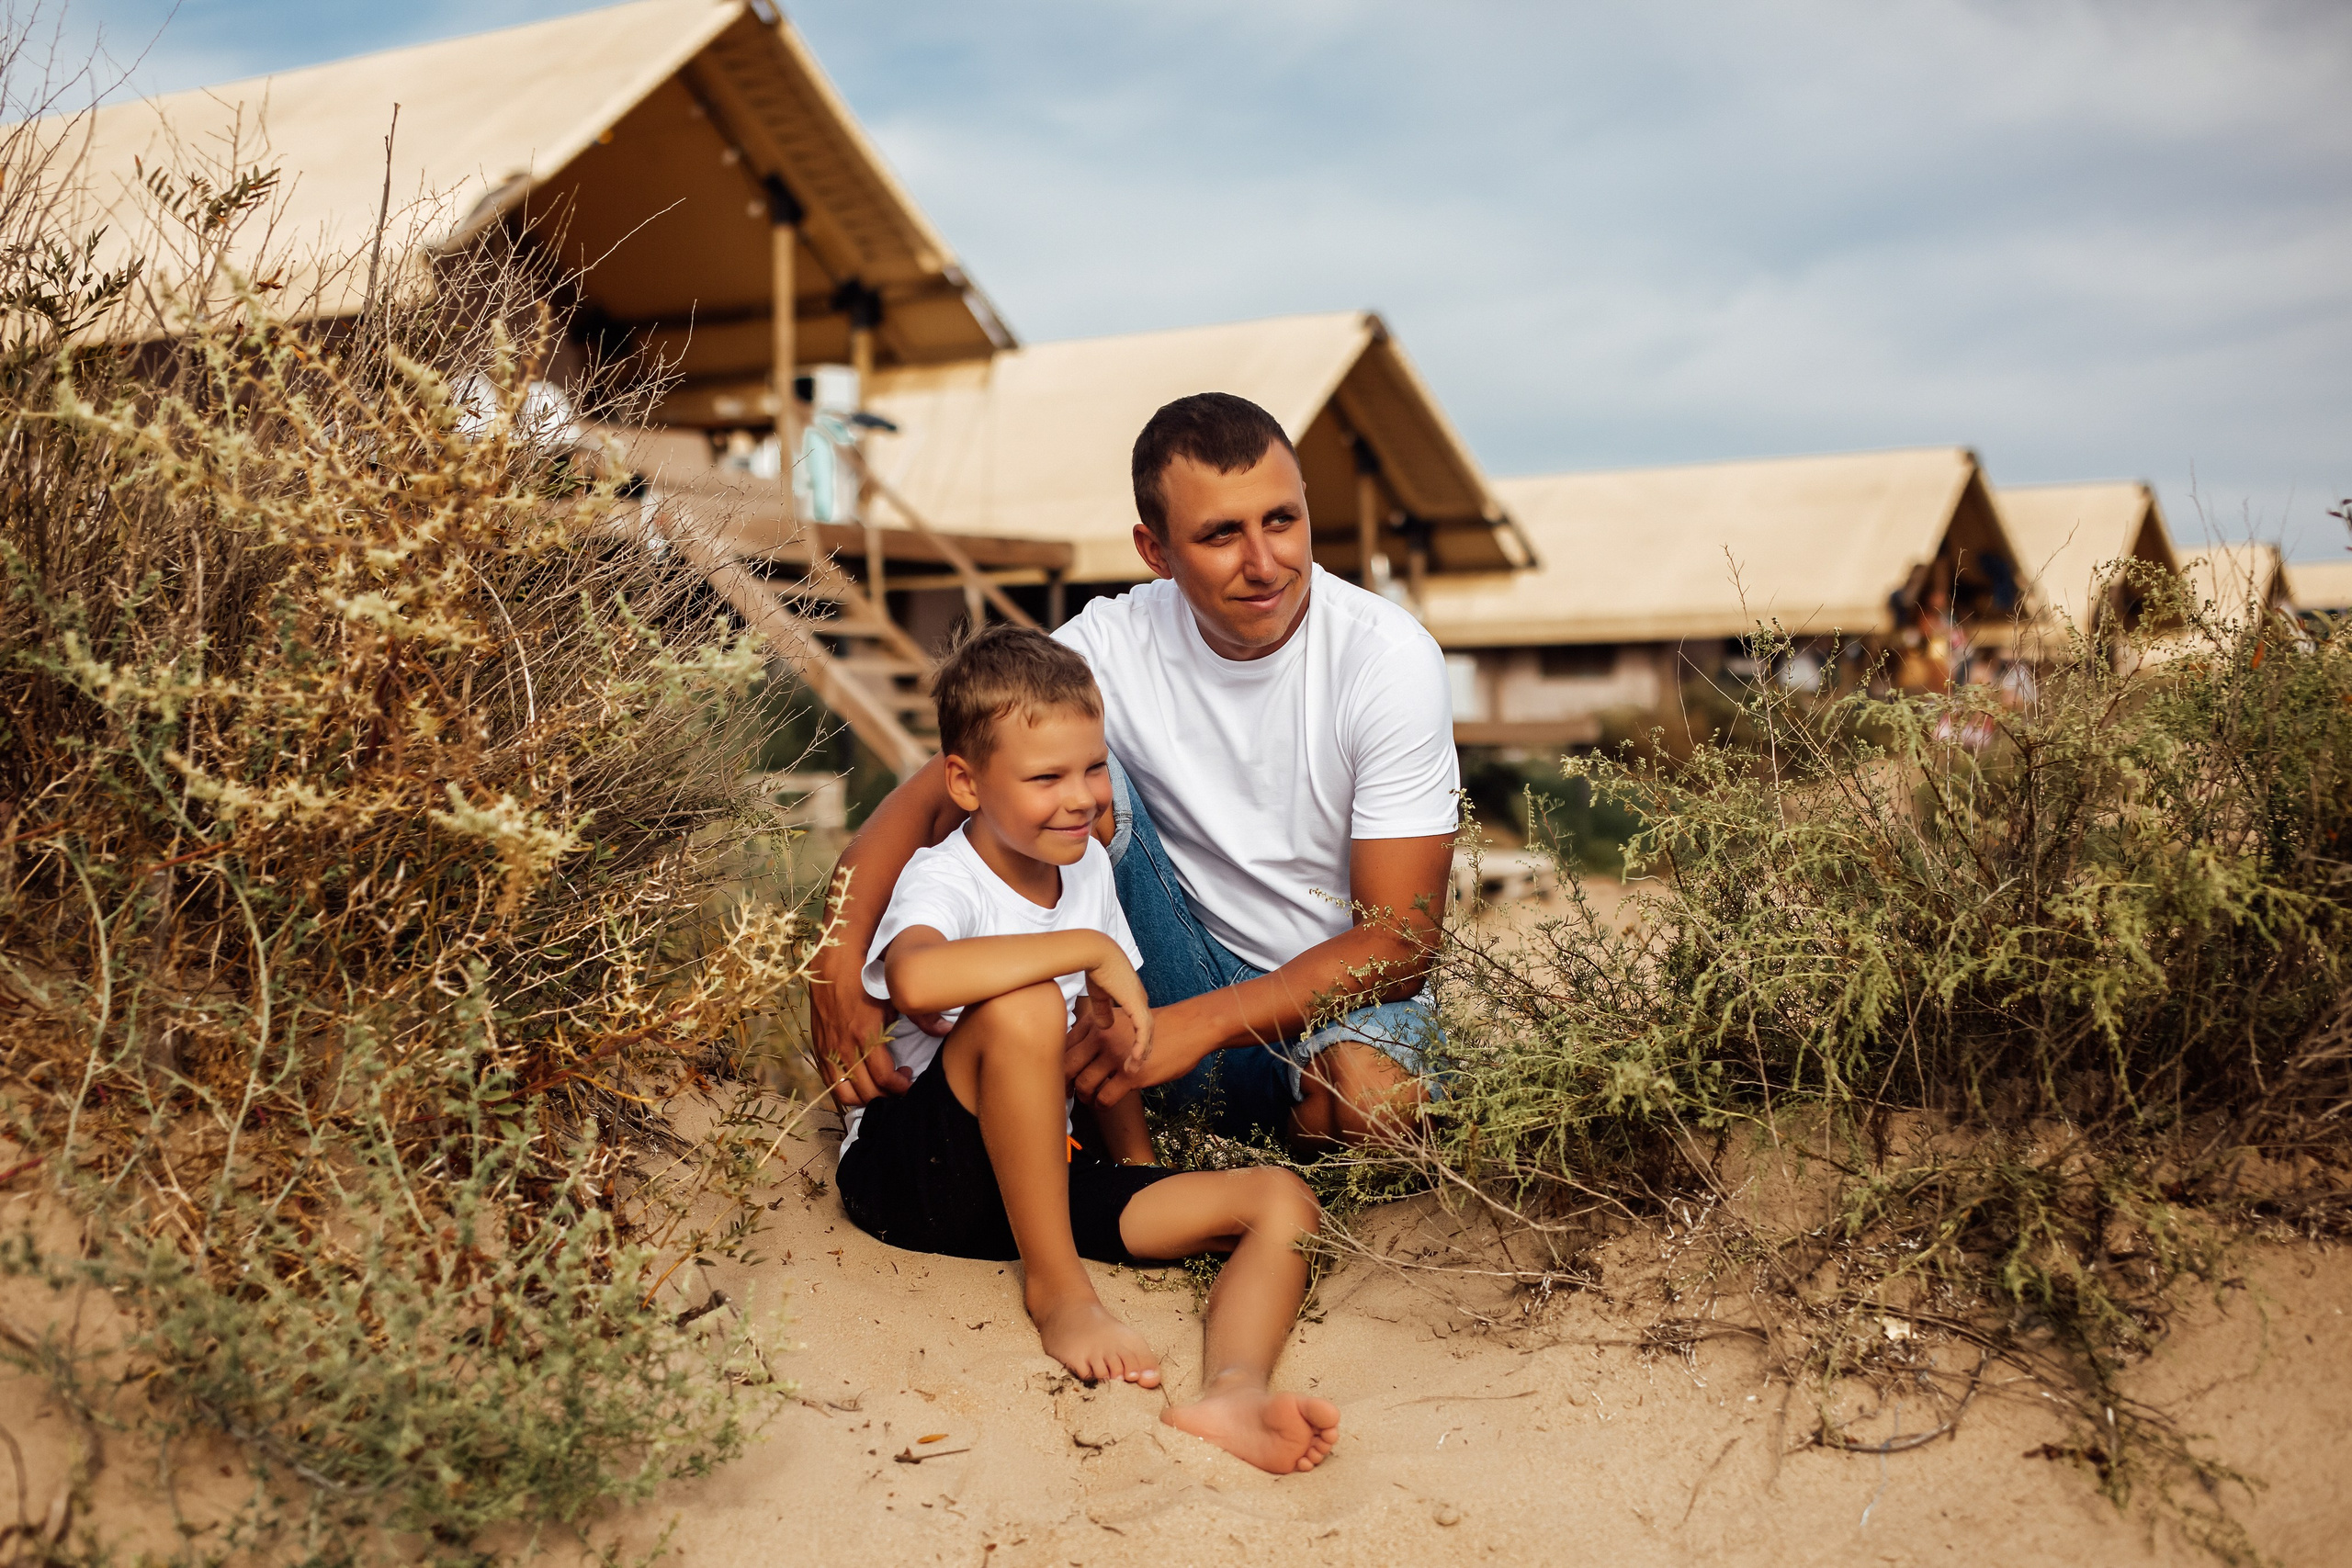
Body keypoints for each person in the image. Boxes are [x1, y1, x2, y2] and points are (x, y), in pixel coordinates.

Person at [815, 392, 1457, 1152]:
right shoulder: (1111, 644)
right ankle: (1038, 1069)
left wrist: (1196, 1027)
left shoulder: (1386, 658)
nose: (1264, 562)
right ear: (1155, 551)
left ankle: (1212, 1130)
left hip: (1323, 1005)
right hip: (1155, 973)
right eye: (1221, 534)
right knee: (1059, 769)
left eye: (1281, 519)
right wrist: (836, 964)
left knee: (1375, 1104)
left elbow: (1400, 945)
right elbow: (936, 798)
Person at [835, 626, 1340, 1475]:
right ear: (964, 780)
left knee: (1282, 1201)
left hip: (1037, 1182)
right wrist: (1087, 950)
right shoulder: (945, 877)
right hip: (916, 1177)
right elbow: (917, 983)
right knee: (1026, 1006)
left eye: (1093, 768)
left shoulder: (1085, 869)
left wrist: (1137, 1168)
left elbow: (1105, 1047)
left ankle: (1234, 1389)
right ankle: (1060, 1293)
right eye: (1045, 777)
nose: (1080, 798)